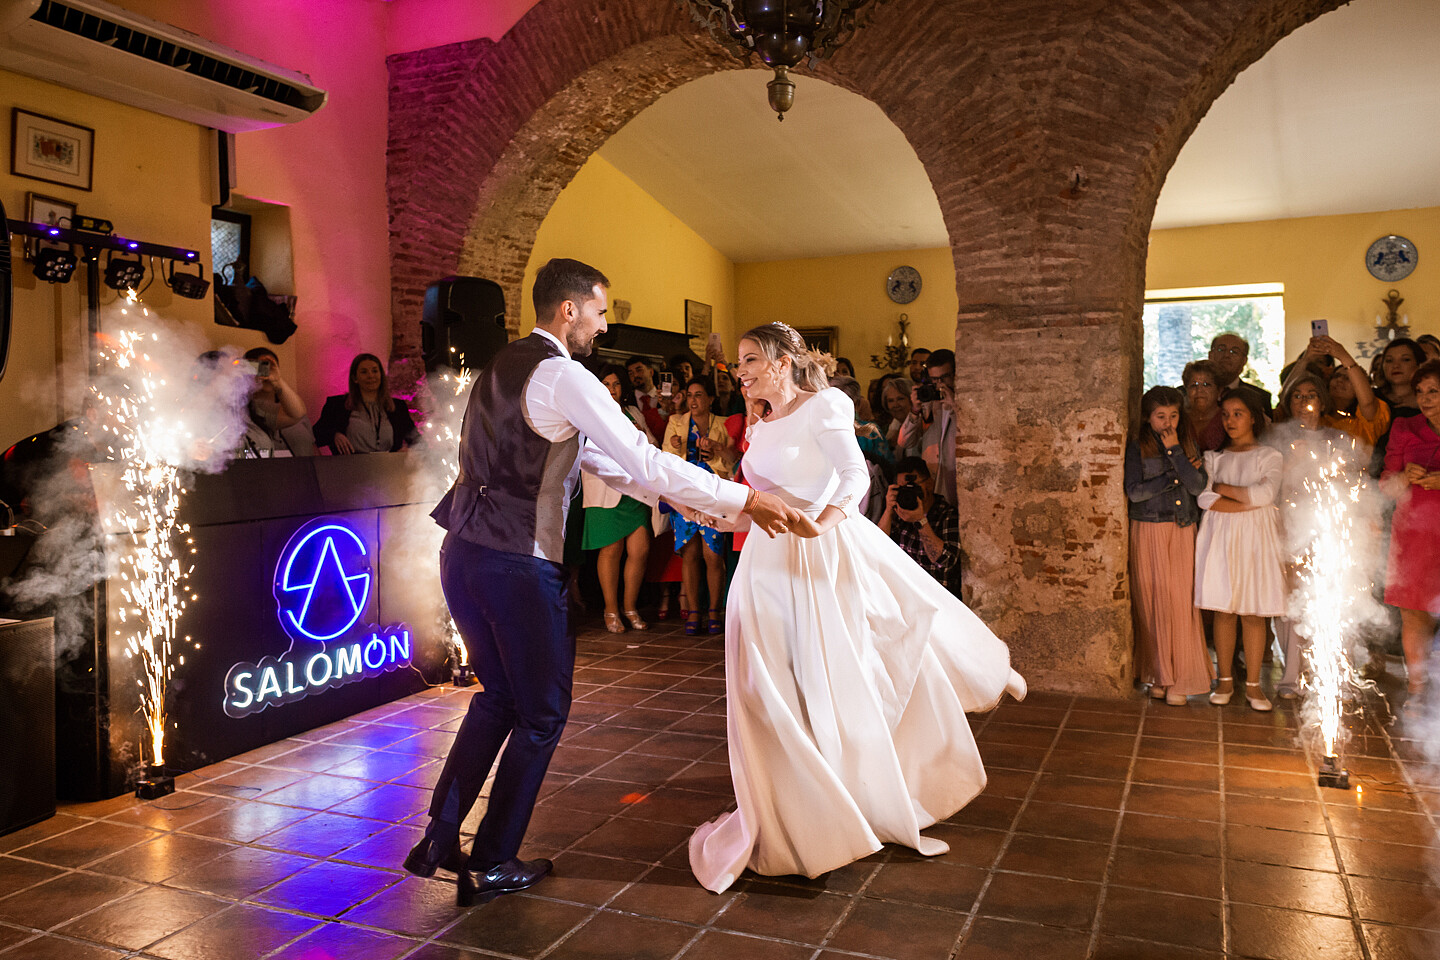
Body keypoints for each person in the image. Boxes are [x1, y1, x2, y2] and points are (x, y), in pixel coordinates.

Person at [410, 259, 800, 906]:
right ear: (569, 310)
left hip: (463, 553)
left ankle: (439, 837)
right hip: (517, 561)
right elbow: (639, 455)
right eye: (600, 310)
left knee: (499, 698)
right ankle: (494, 860)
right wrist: (743, 500)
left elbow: (588, 458)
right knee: (540, 714)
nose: (603, 323)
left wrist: (697, 506)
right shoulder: (563, 373)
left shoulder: (498, 369)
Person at [688, 321, 1025, 894]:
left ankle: (843, 807)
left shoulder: (826, 406)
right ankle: (785, 815)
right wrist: (721, 514)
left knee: (825, 683)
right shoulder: (761, 421)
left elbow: (852, 478)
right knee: (761, 689)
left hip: (819, 561)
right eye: (738, 363)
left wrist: (819, 525)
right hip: (763, 569)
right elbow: (762, 501)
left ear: (783, 358)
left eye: (747, 359)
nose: (737, 371)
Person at [1267, 373, 1370, 699]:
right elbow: (1268, 485)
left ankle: (1333, 674)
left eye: (1311, 394)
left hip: (1327, 526)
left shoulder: (1338, 438)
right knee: (1292, 603)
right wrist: (1290, 463)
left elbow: (1353, 482)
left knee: (1329, 597)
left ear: (1322, 400)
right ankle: (1292, 675)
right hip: (1289, 525)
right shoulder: (1276, 440)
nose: (1304, 401)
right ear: (1289, 402)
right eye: (1297, 396)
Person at [1194, 390, 1285, 712]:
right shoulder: (1213, 457)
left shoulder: (1269, 456)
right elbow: (1204, 499)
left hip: (1255, 538)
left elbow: (1266, 494)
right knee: (1224, 608)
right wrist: (1244, 502)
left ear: (1253, 417)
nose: (1230, 420)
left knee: (1252, 610)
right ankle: (1225, 680)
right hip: (1221, 536)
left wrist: (1223, 491)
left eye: (1238, 413)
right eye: (1226, 414)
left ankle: (1254, 686)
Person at [1124, 386, 1212, 705]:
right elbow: (1134, 492)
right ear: (1148, 418)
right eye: (1161, 416)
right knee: (1153, 601)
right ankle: (1160, 676)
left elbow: (1198, 485)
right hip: (1148, 528)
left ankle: (1179, 681)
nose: (1168, 423)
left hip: (1182, 526)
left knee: (1180, 601)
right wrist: (1175, 476)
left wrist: (1175, 451)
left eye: (1173, 415)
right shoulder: (1137, 447)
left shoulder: (1185, 443)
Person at [1379, 358, 1440, 704]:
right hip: (1414, 536)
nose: (1425, 398)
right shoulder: (1405, 428)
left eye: (1434, 391)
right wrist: (1405, 477)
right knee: (1415, 613)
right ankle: (1417, 688)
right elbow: (1386, 485)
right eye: (1420, 392)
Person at [581, 366, 654, 633]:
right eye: (606, 384)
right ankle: (610, 610)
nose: (612, 390)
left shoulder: (633, 413)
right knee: (611, 550)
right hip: (605, 490)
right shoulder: (589, 413)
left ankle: (630, 607)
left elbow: (651, 445)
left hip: (634, 489)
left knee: (641, 550)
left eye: (616, 385)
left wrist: (640, 434)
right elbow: (589, 452)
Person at [663, 378, 736, 635]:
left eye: (699, 395)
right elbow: (664, 462)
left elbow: (733, 462)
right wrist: (675, 448)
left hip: (713, 492)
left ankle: (714, 610)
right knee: (690, 554)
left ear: (710, 399)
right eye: (690, 395)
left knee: (713, 554)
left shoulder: (724, 423)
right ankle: (694, 611)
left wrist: (716, 451)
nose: (693, 401)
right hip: (685, 493)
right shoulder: (676, 422)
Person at [1276, 336, 1389, 446]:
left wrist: (1343, 356)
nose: (1340, 380)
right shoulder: (1317, 416)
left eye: (1347, 378)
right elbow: (1286, 395)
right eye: (1336, 376)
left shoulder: (1365, 420)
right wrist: (1306, 359)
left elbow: (1368, 403)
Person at [877, 456, 962, 597]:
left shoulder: (947, 515)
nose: (908, 492)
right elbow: (876, 547)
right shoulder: (899, 512)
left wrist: (920, 521)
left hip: (937, 599)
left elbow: (946, 561)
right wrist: (888, 510)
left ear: (930, 484)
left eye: (914, 486)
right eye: (902, 488)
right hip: (905, 596)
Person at [313, 353, 419, 454]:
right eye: (364, 372)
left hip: (389, 467)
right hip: (349, 467)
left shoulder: (398, 407)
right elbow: (316, 435)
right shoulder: (337, 405)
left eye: (374, 371)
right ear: (355, 378)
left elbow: (417, 441)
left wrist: (408, 452)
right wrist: (334, 435)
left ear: (381, 375)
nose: (370, 376)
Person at [897, 349, 957, 504]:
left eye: (945, 378)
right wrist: (915, 410)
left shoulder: (964, 402)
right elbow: (905, 442)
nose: (940, 385)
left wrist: (956, 407)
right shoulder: (929, 403)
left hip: (957, 485)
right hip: (934, 488)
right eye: (935, 379)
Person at [240, 347, 316, 456]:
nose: (265, 372)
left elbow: (298, 414)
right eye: (259, 367)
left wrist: (277, 381)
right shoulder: (249, 409)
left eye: (268, 366)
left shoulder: (288, 404)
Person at [1207, 332, 1272, 418]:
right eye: (1221, 349)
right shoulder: (1187, 393)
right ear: (1210, 355)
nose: (1227, 355)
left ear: (1244, 360)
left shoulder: (1260, 398)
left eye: (1234, 352)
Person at [1183, 360, 1226, 452]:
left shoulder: (1227, 418)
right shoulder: (1178, 419)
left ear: (1219, 390)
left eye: (1206, 385)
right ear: (1186, 390)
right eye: (1194, 385)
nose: (1199, 390)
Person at [626, 355, 671, 440]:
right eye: (631, 373)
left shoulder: (664, 396)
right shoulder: (627, 401)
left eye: (639, 370)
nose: (635, 375)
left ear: (651, 372)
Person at [880, 376, 919, 459]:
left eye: (900, 399)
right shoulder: (890, 431)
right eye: (890, 401)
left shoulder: (922, 424)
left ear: (912, 399)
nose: (895, 405)